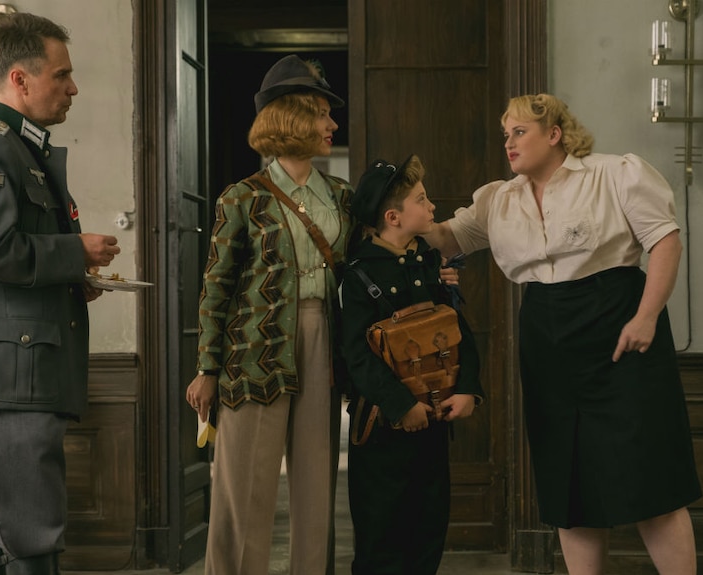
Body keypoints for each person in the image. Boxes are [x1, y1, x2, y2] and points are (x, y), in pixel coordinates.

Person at [426, 93, 702, 575]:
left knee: (650, 477)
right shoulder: (499, 198)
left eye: (519, 132)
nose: (508, 144)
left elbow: (665, 240)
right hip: (546, 336)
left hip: (620, 328)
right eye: (504, 135)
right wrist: (395, 209)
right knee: (568, 479)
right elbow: (448, 238)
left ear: (554, 134)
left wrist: (646, 315)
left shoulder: (615, 173)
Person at [0, 13, 121, 575]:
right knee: (29, 534)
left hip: (19, 372)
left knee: (0, 536)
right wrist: (73, 253)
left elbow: (12, 256)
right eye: (61, 75)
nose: (72, 88)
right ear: (20, 79)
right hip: (7, 377)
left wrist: (70, 277)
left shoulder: (22, 150)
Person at [184, 54, 352, 575]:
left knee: (316, 483)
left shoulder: (343, 198)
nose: (332, 125)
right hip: (253, 352)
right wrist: (208, 367)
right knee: (244, 488)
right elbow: (216, 289)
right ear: (294, 118)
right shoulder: (243, 198)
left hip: (324, 334)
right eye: (322, 113)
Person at [340, 155, 483, 575]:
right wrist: (402, 405)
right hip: (383, 427)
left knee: (428, 531)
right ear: (393, 216)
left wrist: (468, 388)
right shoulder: (358, 274)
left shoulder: (430, 264)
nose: (432, 207)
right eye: (422, 199)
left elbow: (459, 332)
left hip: (435, 420)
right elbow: (357, 354)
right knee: (381, 537)